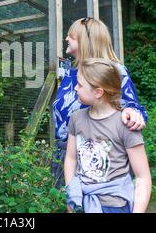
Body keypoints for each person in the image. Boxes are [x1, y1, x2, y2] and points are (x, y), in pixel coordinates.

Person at [51, 17, 147, 189]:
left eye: (70, 36)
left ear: (85, 40)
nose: (66, 39)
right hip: (64, 156)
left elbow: (132, 108)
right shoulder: (69, 75)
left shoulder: (115, 70)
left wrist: (133, 113)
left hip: (96, 156)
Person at [64, 58, 151, 213]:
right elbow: (71, 158)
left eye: (80, 84)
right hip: (82, 203)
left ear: (98, 92)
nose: (75, 88)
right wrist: (72, 196)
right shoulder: (76, 118)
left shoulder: (125, 124)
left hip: (116, 206)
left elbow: (143, 177)